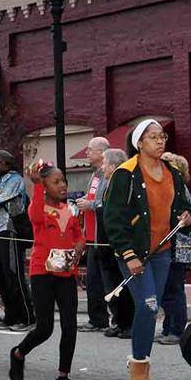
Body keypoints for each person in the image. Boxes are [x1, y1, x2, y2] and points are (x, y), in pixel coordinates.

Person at [104, 120, 191, 380]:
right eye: (153, 137)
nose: (160, 141)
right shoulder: (125, 174)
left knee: (153, 309)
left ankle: (142, 369)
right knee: (148, 305)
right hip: (135, 253)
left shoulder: (172, 173)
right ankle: (138, 371)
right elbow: (113, 218)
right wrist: (128, 254)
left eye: (162, 136)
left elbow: (184, 206)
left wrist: (186, 218)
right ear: (139, 143)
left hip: (162, 253)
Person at [7, 161, 85, 380]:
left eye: (64, 181)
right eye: (56, 182)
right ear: (45, 185)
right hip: (43, 273)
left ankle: (63, 378)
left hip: (66, 274)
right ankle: (19, 353)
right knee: (45, 328)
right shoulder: (38, 209)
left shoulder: (69, 211)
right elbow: (35, 211)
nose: (62, 185)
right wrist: (37, 185)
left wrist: (80, 244)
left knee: (70, 326)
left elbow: (78, 235)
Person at [0, 149, 34, 332]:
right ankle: (10, 315)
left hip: (10, 230)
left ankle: (27, 316)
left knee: (14, 275)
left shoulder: (14, 179)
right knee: (2, 275)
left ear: (4, 162)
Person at [157, 152, 191, 346]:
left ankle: (177, 328)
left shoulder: (181, 188)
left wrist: (186, 219)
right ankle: (167, 326)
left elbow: (189, 215)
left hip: (178, 244)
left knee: (174, 287)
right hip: (166, 243)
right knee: (165, 288)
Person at [97, 148, 134, 339]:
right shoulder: (107, 183)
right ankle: (119, 321)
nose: (102, 167)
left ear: (113, 165)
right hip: (105, 243)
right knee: (111, 284)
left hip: (118, 244)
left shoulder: (124, 182)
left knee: (124, 285)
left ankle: (129, 323)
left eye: (104, 163)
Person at [77, 137, 111, 332]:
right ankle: (97, 318)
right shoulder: (95, 175)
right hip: (91, 236)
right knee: (93, 282)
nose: (87, 153)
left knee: (106, 280)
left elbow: (109, 203)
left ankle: (110, 318)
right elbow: (94, 198)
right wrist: (85, 200)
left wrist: (90, 205)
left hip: (103, 238)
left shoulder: (108, 175)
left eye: (90, 150)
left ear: (101, 152)